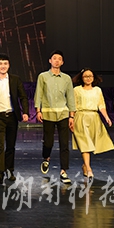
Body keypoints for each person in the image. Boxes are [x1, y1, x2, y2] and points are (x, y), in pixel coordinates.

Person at [0, 53, 29, 185]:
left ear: (8, 65)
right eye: (0, 64)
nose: (3, 66)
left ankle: (9, 170)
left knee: (10, 145)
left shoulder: (15, 79)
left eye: (5, 63)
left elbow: (23, 97)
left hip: (12, 116)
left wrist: (25, 112)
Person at [34, 50, 75, 184]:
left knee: (64, 143)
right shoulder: (43, 76)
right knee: (48, 142)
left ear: (62, 62)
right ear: (50, 61)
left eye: (59, 59)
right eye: (54, 58)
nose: (57, 61)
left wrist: (72, 115)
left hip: (63, 113)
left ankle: (64, 171)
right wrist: (38, 110)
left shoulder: (66, 78)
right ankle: (46, 158)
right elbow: (39, 93)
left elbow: (70, 96)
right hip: (48, 112)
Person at [70, 68, 114, 180]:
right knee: (85, 143)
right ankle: (89, 168)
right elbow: (73, 105)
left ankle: (85, 165)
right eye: (86, 76)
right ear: (81, 78)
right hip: (81, 116)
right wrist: (71, 118)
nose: (88, 78)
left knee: (91, 144)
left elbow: (101, 105)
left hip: (94, 117)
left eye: (90, 76)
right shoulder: (77, 90)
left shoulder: (97, 90)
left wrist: (106, 117)